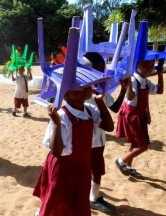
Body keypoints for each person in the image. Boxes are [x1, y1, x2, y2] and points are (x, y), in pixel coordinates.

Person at [33, 84, 114, 216]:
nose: (86, 89)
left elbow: (109, 127)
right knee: (57, 200)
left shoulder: (90, 110)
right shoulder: (61, 116)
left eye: (87, 86)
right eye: (79, 88)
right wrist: (57, 124)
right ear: (66, 95)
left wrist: (100, 102)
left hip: (82, 166)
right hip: (63, 167)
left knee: (77, 201)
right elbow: (56, 151)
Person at [84, 52, 128, 213]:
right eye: (97, 70)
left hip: (99, 140)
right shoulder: (79, 92)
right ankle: (93, 198)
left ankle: (91, 194)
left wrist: (123, 90)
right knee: (95, 170)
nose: (101, 74)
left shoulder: (99, 90)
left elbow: (114, 108)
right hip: (88, 141)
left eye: (102, 69)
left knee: (95, 169)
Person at [115, 59, 164, 179]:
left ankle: (128, 168)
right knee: (143, 146)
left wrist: (160, 74)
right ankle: (121, 161)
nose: (148, 69)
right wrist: (129, 82)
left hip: (140, 116)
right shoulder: (133, 79)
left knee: (133, 144)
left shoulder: (146, 82)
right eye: (145, 66)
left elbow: (160, 90)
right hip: (132, 116)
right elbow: (130, 97)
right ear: (136, 66)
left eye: (152, 66)